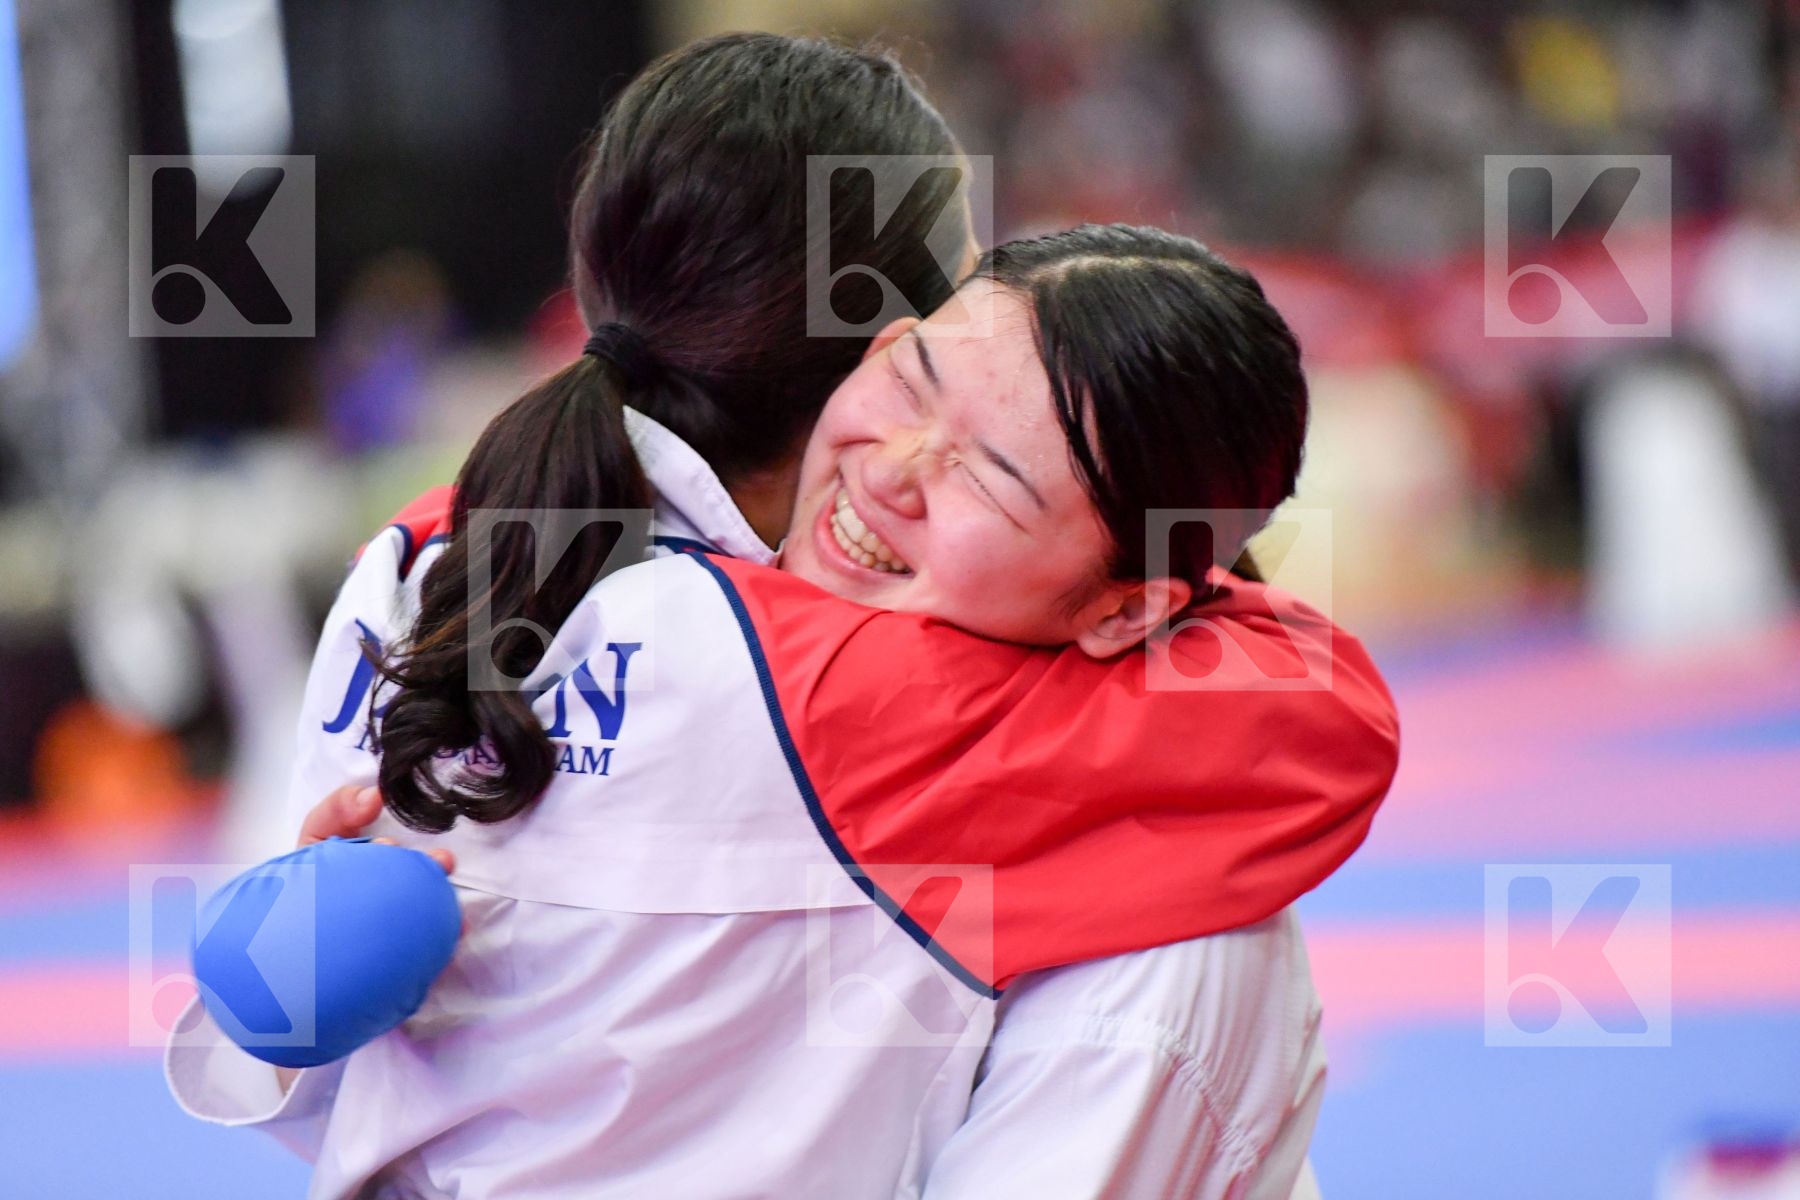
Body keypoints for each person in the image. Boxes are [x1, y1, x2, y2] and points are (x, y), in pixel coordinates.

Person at [167, 35, 1396, 1198]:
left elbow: (286, 1050)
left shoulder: (424, 554)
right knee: (1207, 943)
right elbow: (1317, 739)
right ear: (865, 342)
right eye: (928, 352)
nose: (911, 461)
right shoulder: (831, 692)